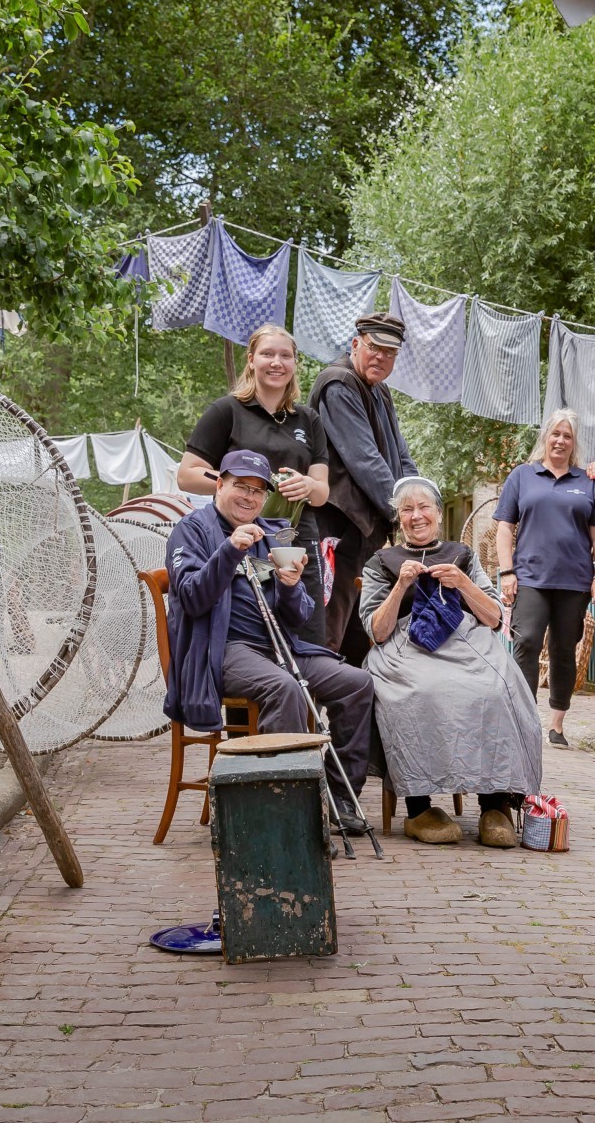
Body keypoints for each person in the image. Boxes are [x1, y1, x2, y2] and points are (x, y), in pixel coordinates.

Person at [164, 449, 374, 831]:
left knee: (356, 684)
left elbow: (299, 615)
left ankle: (338, 799)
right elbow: (193, 596)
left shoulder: (274, 533)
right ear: (219, 484)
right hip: (223, 650)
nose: (249, 497)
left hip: (281, 647)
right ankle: (286, 809)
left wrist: (291, 587)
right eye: (240, 486)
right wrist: (229, 550)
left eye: (258, 491)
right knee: (285, 689)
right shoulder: (192, 530)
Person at [360, 476, 542, 848]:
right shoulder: (381, 562)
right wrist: (400, 587)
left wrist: (462, 583)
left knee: (494, 690)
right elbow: (376, 632)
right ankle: (419, 809)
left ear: (439, 514)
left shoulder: (464, 555)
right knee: (418, 693)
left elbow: (492, 618)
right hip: (404, 650)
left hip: (466, 642)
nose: (416, 516)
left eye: (424, 507)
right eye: (407, 509)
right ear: (399, 518)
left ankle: (496, 805)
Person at [178, 324, 330, 645]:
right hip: (243, 539)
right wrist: (244, 486)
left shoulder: (308, 420)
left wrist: (306, 484)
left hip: (296, 539)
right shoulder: (226, 411)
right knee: (252, 630)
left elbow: (322, 491)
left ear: (294, 364)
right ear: (251, 360)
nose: (277, 362)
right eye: (267, 354)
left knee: (308, 633)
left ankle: (308, 694)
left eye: (285, 356)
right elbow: (188, 473)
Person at [496, 410, 595, 749]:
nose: (560, 440)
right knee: (526, 641)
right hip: (530, 577)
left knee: (564, 650)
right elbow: (505, 527)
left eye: (568, 436)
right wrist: (507, 571)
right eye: (555, 434)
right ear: (545, 437)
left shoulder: (588, 482)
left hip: (574, 581)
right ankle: (524, 717)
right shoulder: (523, 476)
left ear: (574, 443)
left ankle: (557, 724)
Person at [310, 312, 419, 663]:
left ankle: (353, 717)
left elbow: (400, 456)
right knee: (329, 631)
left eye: (390, 353)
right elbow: (366, 461)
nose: (381, 358)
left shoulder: (380, 391)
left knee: (361, 632)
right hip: (337, 529)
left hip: (366, 532)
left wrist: (419, 499)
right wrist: (404, 513)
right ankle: (311, 715)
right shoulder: (339, 383)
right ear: (356, 344)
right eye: (375, 348)